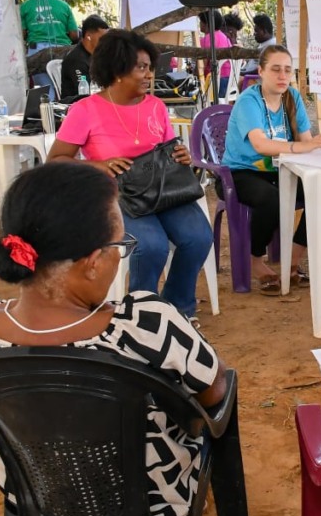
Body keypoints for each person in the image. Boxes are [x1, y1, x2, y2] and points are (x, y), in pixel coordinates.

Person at [0, 162, 227, 516]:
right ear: (92, 262)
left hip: (31, 497)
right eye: (120, 244)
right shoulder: (146, 325)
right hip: (153, 497)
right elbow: (214, 393)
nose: (121, 255)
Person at [47, 29, 212, 321]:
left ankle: (177, 308)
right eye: (142, 68)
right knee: (150, 246)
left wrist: (181, 155)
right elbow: (56, 161)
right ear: (118, 70)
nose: (150, 75)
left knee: (198, 237)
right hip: (119, 195)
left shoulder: (156, 106)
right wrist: (99, 165)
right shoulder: (85, 110)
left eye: (150, 67)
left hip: (164, 190)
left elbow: (167, 148)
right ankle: (143, 315)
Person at [223, 44, 321, 295]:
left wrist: (318, 141)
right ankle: (255, 260)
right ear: (261, 71)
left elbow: (306, 141)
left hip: (280, 169)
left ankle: (293, 261)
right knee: (273, 200)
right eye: (275, 70)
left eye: (287, 70)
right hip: (240, 173)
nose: (283, 76)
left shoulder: (292, 98)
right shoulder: (248, 101)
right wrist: (306, 146)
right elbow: (261, 145)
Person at [18, 0, 78, 97]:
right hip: (62, 51)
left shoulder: (25, 6)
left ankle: (47, 115)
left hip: (36, 52)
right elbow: (74, 35)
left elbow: (21, 34)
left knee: (46, 92)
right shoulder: (63, 5)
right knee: (65, 89)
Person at [59, 14, 109, 100]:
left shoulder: (98, 55)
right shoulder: (76, 60)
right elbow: (85, 92)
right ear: (89, 36)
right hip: (76, 106)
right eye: (102, 38)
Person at [199, 11, 233, 99]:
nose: (199, 24)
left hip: (215, 82)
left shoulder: (206, 39)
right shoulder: (224, 36)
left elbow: (202, 66)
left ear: (206, 24)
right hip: (229, 80)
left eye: (200, 21)